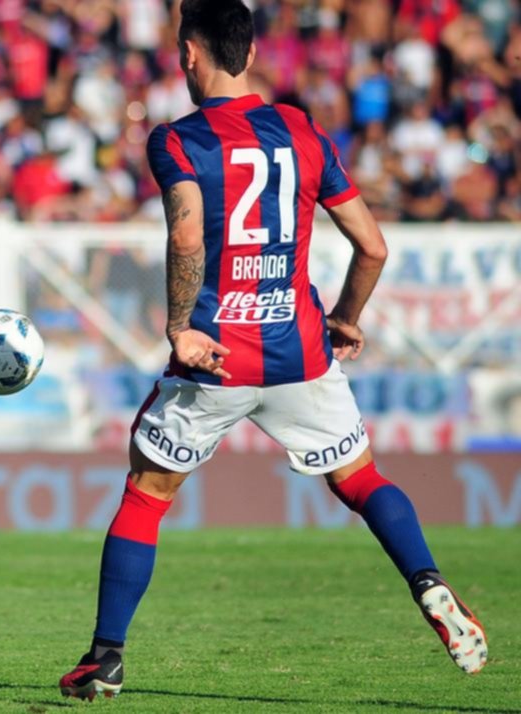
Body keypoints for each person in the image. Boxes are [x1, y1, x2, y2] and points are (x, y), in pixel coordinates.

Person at [58, 0, 488, 700]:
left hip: (217, 356)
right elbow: (373, 246)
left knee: (147, 493)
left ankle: (105, 656)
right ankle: (430, 582)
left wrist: (179, 327)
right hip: (300, 351)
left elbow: (188, 236)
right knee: (358, 479)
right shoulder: (301, 129)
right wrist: (346, 316)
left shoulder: (176, 140)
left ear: (189, 55)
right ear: (251, 55)